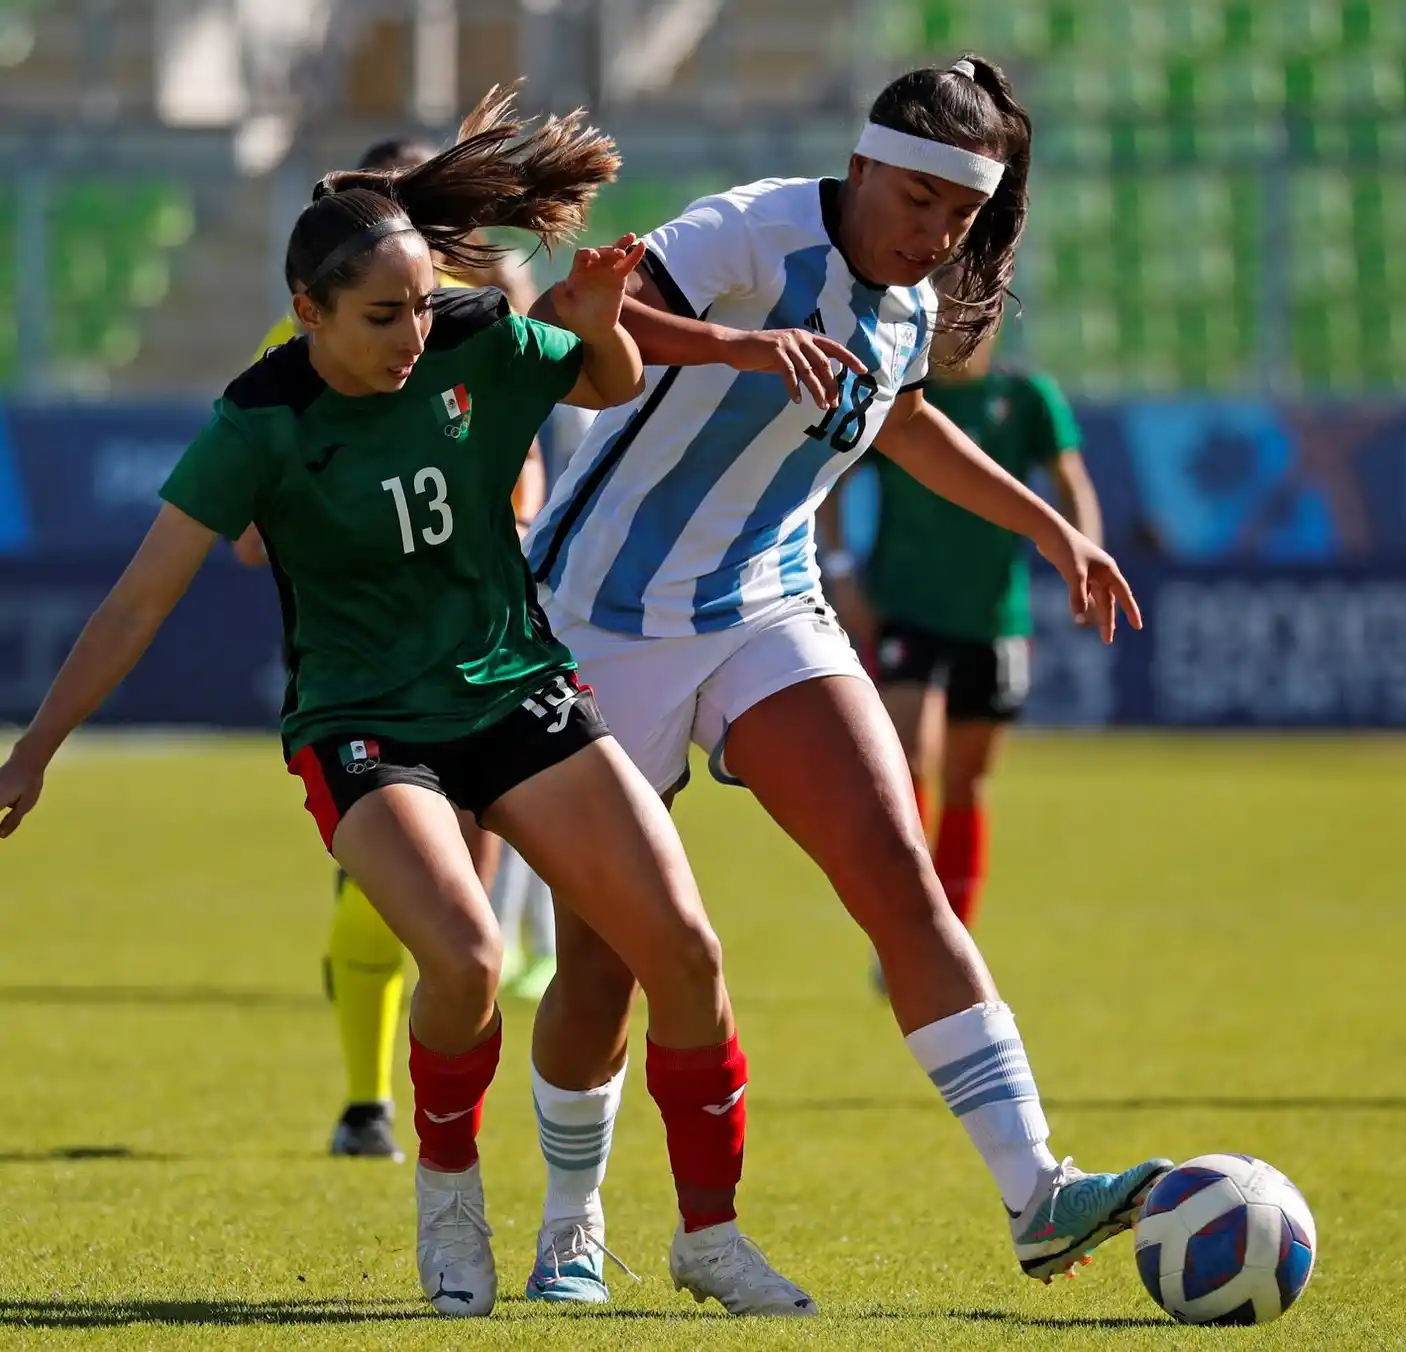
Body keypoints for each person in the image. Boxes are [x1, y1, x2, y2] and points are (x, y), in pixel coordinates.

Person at [0, 84, 824, 1319]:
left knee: (687, 950)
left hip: (515, 688)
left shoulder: (473, 340)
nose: (411, 334)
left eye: (422, 305)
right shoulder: (259, 420)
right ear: (307, 312)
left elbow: (607, 382)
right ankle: (448, 1196)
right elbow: (134, 605)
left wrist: (601, 320)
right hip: (363, 725)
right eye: (382, 316)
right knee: (468, 955)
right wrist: (35, 750)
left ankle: (705, 1234)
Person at [520, 54, 1170, 1303]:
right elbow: (574, 320)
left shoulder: (912, 305)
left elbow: (904, 423)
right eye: (919, 200)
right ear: (864, 165)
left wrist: (1052, 528)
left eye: (961, 216)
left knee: (901, 878)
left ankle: (1039, 1193)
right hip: (601, 614)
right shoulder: (753, 230)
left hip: (765, 602)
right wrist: (744, 346)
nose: (936, 234)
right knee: (605, 960)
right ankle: (570, 1223)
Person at [243, 135, 555, 1158]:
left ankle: (449, 1113)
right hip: (364, 670)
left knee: (471, 909)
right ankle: (368, 1100)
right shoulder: (301, 345)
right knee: (384, 895)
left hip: (479, 655)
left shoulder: (468, 320)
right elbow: (247, 524)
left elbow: (524, 464)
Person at [826, 295, 1102, 963]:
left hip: (993, 616)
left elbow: (1072, 480)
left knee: (968, 777)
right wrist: (840, 571)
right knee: (906, 761)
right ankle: (908, 923)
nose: (959, 320)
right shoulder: (902, 394)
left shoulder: (1027, 397)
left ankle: (954, 932)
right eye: (946, 307)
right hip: (906, 607)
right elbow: (835, 481)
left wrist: (1086, 551)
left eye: (974, 308)